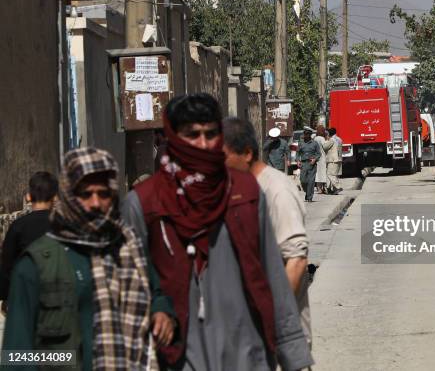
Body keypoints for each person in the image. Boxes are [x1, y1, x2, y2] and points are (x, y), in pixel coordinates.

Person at [121, 93, 313, 371]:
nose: (203, 144)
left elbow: (273, 275)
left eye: (211, 134)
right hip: (179, 355)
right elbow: (131, 287)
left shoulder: (244, 192)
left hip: (247, 353)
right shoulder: (144, 203)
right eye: (192, 135)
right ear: (174, 139)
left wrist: (292, 355)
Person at [2, 147, 175, 370]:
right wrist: (63, 358)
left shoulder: (129, 248)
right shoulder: (36, 265)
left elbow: (157, 293)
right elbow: (15, 357)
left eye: (103, 194)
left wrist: (162, 312)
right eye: (85, 194)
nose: (95, 203)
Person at [223, 117, 312, 346]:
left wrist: (271, 315)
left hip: (277, 334)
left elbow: (296, 260)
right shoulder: (235, 189)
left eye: (223, 157)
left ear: (246, 153)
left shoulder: (276, 190)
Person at [0, 171, 58, 312]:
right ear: (55, 197)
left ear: (29, 197)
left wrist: (6, 297)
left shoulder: (18, 226)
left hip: (25, 299)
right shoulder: (63, 225)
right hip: (57, 300)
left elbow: (7, 265)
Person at [297, 128, 321, 202]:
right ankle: (307, 192)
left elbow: (319, 153)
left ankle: (310, 197)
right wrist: (298, 160)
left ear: (310, 135)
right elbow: (298, 153)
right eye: (305, 134)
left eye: (307, 134)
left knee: (311, 181)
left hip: (311, 164)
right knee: (303, 180)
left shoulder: (315, 143)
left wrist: (315, 159)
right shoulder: (301, 143)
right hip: (303, 164)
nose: (306, 136)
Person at [313, 126, 327, 194]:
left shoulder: (315, 138)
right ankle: (324, 188)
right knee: (324, 173)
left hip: (316, 158)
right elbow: (325, 147)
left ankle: (319, 189)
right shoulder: (322, 139)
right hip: (323, 157)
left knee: (318, 174)